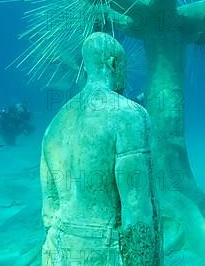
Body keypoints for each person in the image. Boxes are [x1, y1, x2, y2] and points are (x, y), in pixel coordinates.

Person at [40, 32, 161, 265]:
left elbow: (49, 209)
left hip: (57, 248)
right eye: (124, 67)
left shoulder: (54, 124)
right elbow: (137, 211)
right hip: (104, 250)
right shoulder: (129, 116)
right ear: (113, 63)